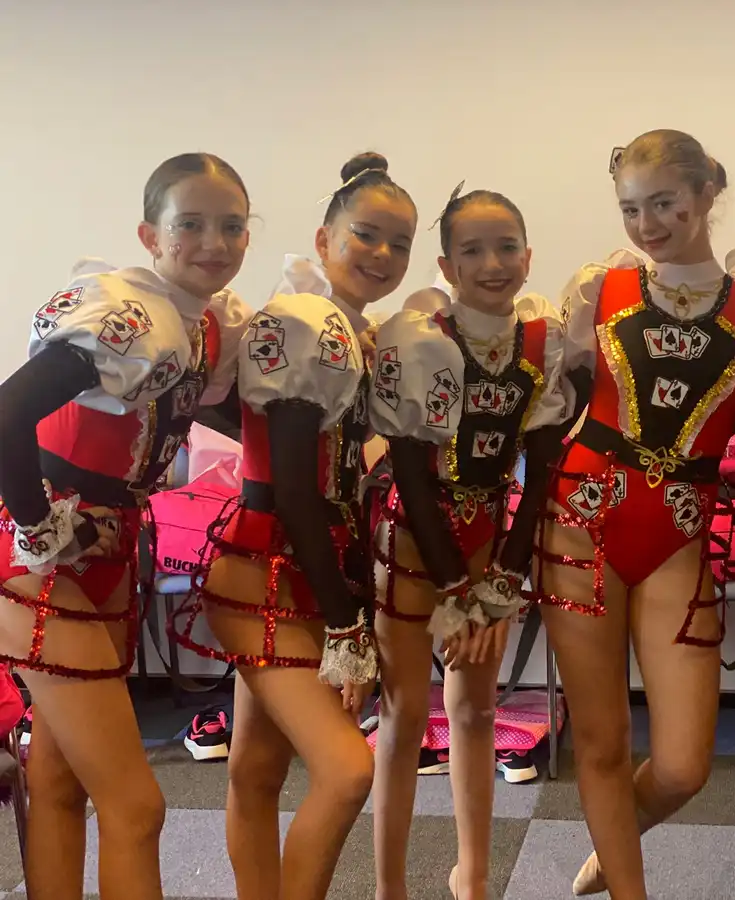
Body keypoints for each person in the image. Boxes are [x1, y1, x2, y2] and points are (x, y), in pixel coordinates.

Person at [532, 128, 735, 900]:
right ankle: (629, 886)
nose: (646, 225)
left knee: (683, 764)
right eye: (630, 209)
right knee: (603, 742)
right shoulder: (600, 289)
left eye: (664, 204)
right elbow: (548, 399)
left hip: (679, 532)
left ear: (706, 194)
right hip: (581, 514)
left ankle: (617, 842)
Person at [0, 152, 252, 899]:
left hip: (111, 553)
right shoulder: (123, 315)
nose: (214, 242)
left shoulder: (208, 329)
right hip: (43, 560)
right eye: (191, 224)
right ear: (151, 235)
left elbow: (233, 422)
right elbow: (6, 418)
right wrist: (47, 529)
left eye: (232, 225)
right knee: (137, 806)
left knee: (59, 780)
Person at [174, 152, 415, 900]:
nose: (382, 254)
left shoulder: (346, 329)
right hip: (267, 567)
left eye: (399, 243)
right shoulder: (307, 323)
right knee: (346, 770)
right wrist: (347, 626)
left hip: (308, 565)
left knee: (256, 769)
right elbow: (290, 491)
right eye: (366, 235)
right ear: (323, 239)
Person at [369, 187, 577, 900]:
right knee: (402, 717)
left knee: (477, 712)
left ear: (528, 255)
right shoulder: (417, 338)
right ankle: (389, 886)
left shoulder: (545, 342)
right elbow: (408, 469)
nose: (493, 264)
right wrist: (457, 589)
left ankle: (475, 877)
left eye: (507, 247)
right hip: (411, 540)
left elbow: (541, 469)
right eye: (473, 250)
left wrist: (502, 584)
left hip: (489, 540)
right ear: (446, 265)